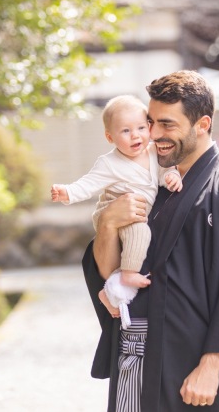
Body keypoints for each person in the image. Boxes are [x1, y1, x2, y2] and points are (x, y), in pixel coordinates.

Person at [81, 70, 219, 411]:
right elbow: (108, 270)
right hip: (135, 360)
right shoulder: (147, 185)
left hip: (191, 369)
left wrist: (211, 366)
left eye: (167, 125)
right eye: (151, 122)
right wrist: (109, 224)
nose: (154, 134)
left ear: (202, 124)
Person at [51, 95, 182, 327]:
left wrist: (171, 176)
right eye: (126, 131)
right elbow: (87, 184)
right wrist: (67, 192)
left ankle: (108, 291)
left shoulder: (153, 152)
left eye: (142, 127)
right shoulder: (109, 163)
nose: (136, 135)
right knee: (141, 234)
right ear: (110, 137)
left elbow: (163, 173)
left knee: (136, 247)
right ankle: (127, 275)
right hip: (115, 208)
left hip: (136, 211)